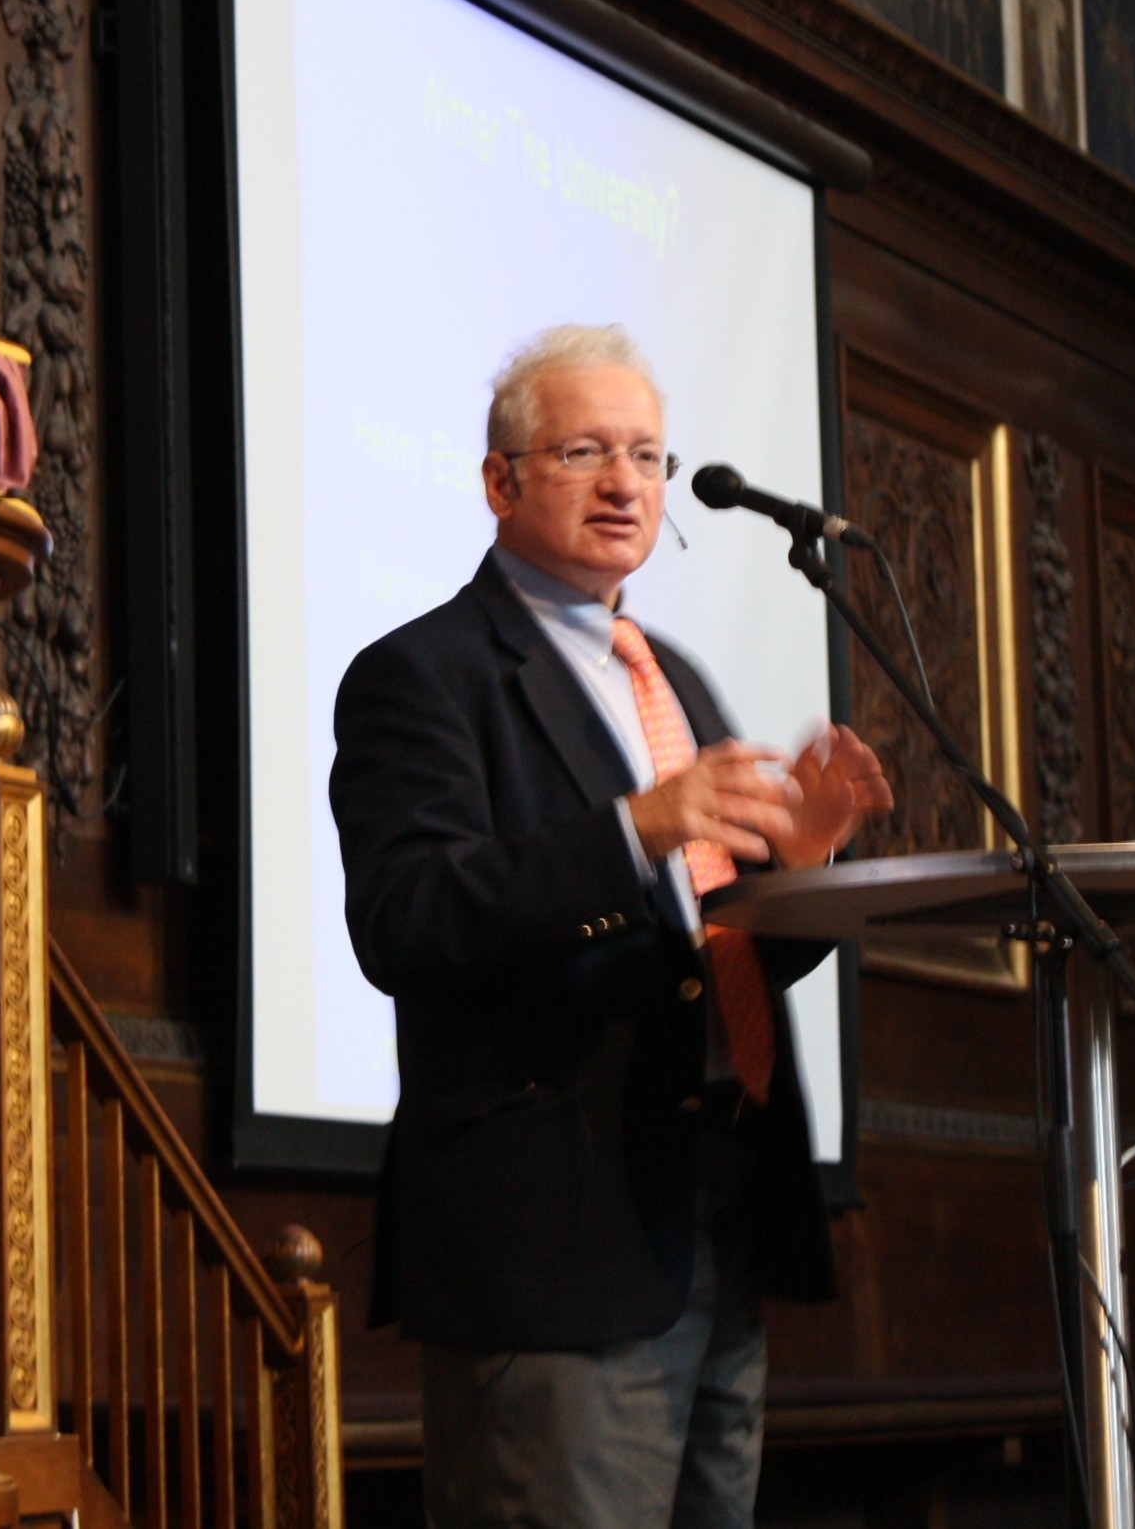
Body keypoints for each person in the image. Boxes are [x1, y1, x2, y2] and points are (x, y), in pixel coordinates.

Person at [329, 324, 893, 1527]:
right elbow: (405, 917)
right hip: (554, 1246)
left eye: (646, 455)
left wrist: (801, 870)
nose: (626, 482)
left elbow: (702, 956)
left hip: (715, 1207)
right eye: (584, 449)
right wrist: (633, 828)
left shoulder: (671, 673)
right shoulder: (423, 676)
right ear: (501, 481)